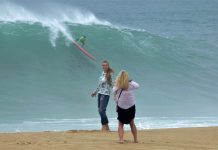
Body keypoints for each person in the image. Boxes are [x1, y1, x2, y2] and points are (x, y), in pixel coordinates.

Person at [113, 70, 139, 144]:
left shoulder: (118, 85)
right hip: (131, 106)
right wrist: (130, 81)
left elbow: (113, 90)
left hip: (121, 106)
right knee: (132, 123)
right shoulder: (130, 84)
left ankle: (121, 139)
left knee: (120, 123)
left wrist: (118, 82)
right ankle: (135, 139)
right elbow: (137, 86)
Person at [91, 60, 114, 131]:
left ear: (108, 66)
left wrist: (115, 94)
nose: (104, 66)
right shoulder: (102, 73)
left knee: (102, 110)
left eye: (106, 65)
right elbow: (100, 85)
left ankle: (104, 126)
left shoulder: (109, 74)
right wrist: (95, 92)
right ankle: (106, 126)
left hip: (106, 94)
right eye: (103, 65)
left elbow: (112, 85)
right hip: (100, 93)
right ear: (102, 66)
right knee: (100, 110)